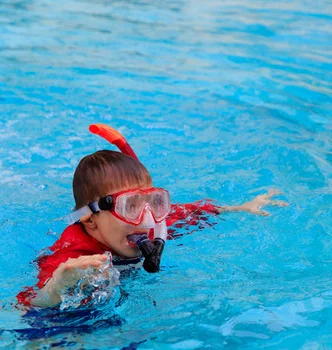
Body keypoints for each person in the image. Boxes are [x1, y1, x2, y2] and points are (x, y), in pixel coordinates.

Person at [18, 124, 287, 308]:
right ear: (91, 220)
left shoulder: (150, 228)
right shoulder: (73, 255)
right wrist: (56, 288)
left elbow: (190, 213)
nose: (148, 219)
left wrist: (240, 208)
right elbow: (28, 305)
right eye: (130, 206)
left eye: (153, 203)